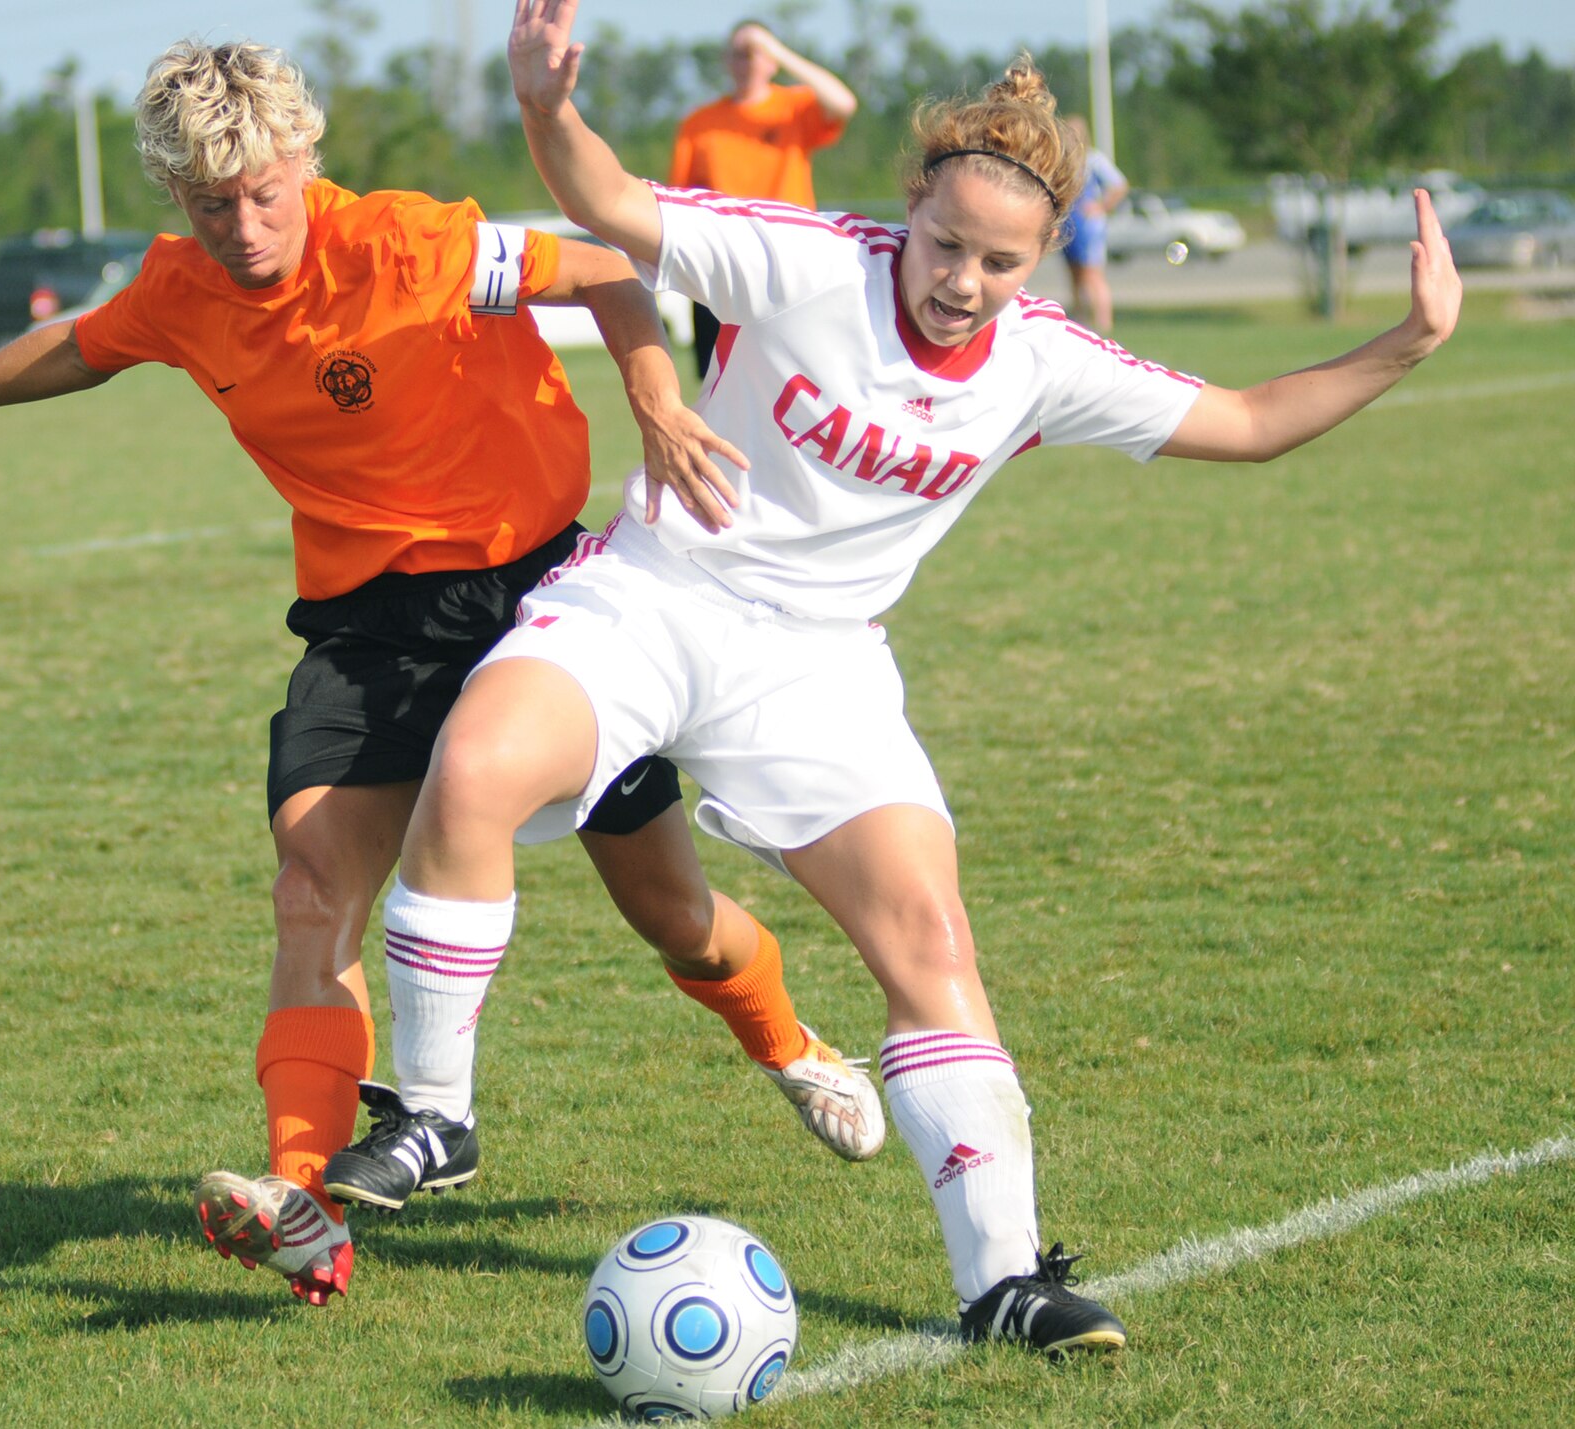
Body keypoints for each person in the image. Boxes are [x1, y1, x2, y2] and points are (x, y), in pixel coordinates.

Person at [365, 0, 1461, 1352]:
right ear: (910, 215)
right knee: (475, 765)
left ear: (1039, 259)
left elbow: (1240, 423)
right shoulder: (808, 262)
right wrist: (545, 104)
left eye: (1000, 263)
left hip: (821, 672)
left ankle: (1006, 1280)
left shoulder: (1045, 361)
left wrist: (1406, 342)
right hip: (657, 596)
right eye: (945, 245)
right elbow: (612, 203)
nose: (961, 280)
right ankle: (431, 1113)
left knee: (931, 943)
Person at [0, 37, 885, 1309]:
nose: (246, 226)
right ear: (175, 196)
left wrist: (656, 400)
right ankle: (303, 1203)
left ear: (305, 158)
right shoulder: (179, 286)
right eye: (212, 204)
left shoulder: (411, 244)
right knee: (313, 884)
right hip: (367, 626)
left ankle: (788, 1042)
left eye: (264, 191)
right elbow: (83, 348)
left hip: (539, 595)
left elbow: (605, 277)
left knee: (672, 917)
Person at [667, 19, 856, 377]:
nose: (748, 63)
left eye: (757, 54)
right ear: (727, 61)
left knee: (796, 365)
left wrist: (778, 50)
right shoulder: (700, 123)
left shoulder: (794, 105)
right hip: (723, 259)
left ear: (772, 61)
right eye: (740, 54)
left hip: (791, 252)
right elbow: (680, 200)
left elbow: (843, 103)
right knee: (718, 373)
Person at [1061, 115, 1129, 334]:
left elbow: (1119, 185)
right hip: (1068, 223)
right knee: (1074, 273)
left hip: (1088, 226)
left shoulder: (1094, 160)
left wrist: (1101, 206)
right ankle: (1079, 318)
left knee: (1092, 273)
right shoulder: (1063, 161)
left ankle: (1103, 320)